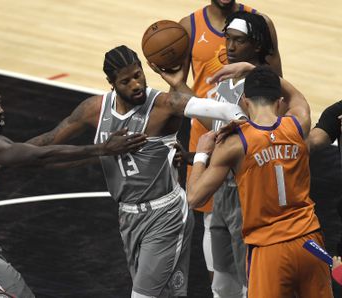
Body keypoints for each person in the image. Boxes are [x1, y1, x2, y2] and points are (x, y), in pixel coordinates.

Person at [27, 45, 248, 298]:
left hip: (166, 215)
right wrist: (0, 158)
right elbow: (50, 138)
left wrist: (242, 125)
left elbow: (222, 110)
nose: (136, 84)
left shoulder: (164, 104)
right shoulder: (94, 109)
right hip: (128, 217)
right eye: (126, 81)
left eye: (138, 75)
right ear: (111, 83)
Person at [0, 76, 148, 298]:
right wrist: (103, 149)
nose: (1, 110)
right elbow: (40, 155)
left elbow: (47, 161)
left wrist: (106, 155)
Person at [153, 11, 276, 297]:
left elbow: (260, 135)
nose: (229, 47)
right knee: (221, 283)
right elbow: (217, 124)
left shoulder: (263, 86)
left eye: (238, 41)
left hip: (249, 193)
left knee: (252, 283)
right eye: (227, 40)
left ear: (256, 45)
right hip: (222, 190)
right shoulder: (224, 85)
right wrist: (179, 85)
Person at [187, 65, 333, 297]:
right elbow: (297, 97)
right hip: (310, 243)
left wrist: (202, 154)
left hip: (269, 250)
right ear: (278, 101)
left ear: (244, 100)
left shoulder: (235, 143)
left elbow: (194, 197)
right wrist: (253, 68)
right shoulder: (297, 124)